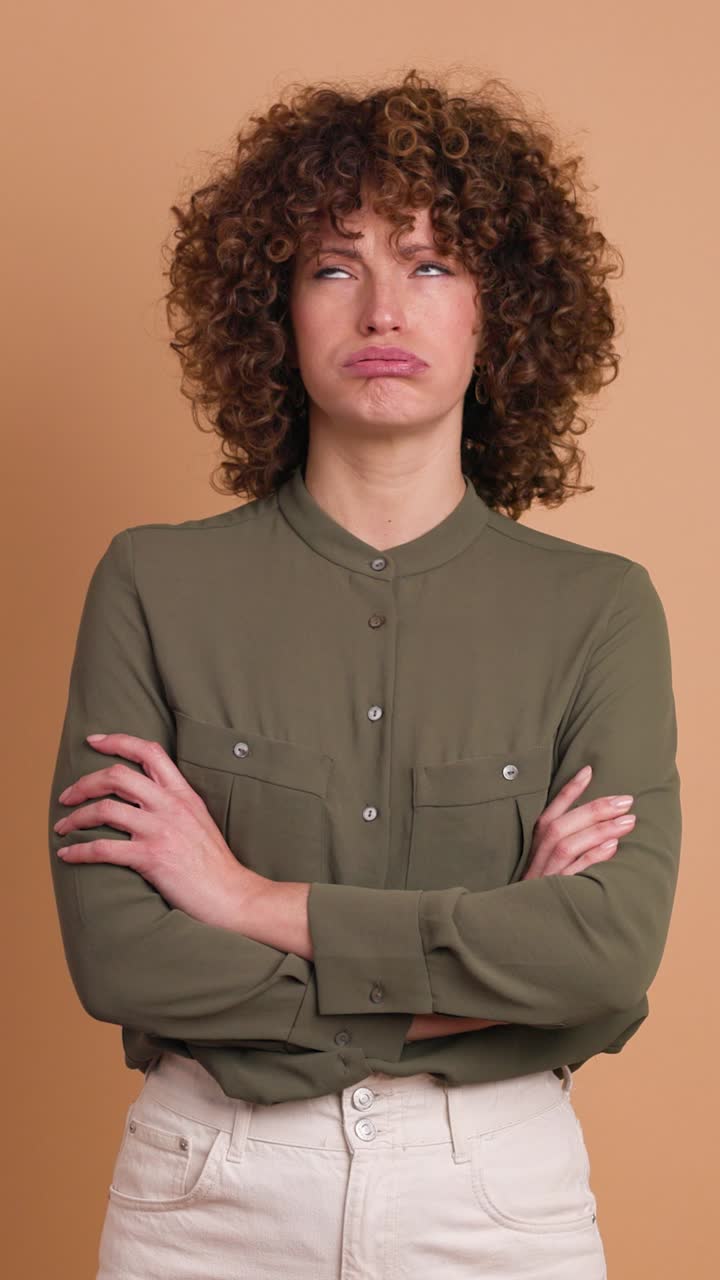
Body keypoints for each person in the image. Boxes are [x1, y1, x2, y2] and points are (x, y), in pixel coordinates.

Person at [48, 67, 681, 1279]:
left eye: (432, 264)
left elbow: (602, 957)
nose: (384, 309)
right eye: (337, 266)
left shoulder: (600, 608)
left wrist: (241, 900)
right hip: (208, 1194)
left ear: (503, 311)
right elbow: (122, 956)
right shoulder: (150, 585)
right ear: (273, 310)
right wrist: (497, 970)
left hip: (496, 1198)